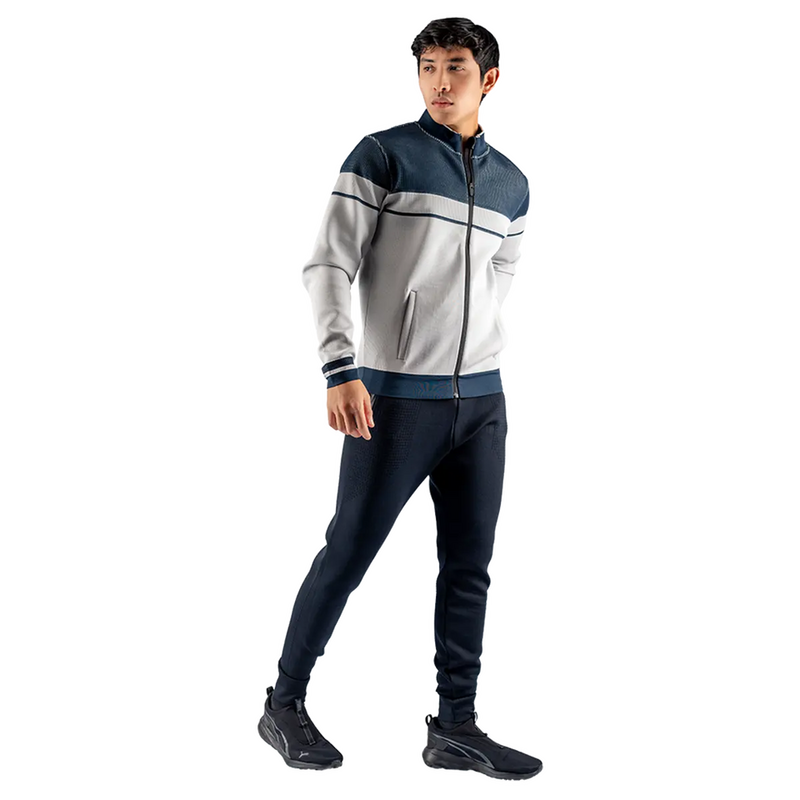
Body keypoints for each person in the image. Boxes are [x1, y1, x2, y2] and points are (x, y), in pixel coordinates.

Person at [254, 14, 546, 784]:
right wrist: (338, 368)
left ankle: (456, 728)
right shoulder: (381, 153)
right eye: (427, 67)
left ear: (491, 80)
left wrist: (486, 347)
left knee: (472, 566)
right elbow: (325, 265)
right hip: (392, 396)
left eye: (456, 67)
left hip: (483, 401)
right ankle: (284, 703)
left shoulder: (515, 182)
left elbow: (503, 277)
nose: (438, 81)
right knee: (350, 548)